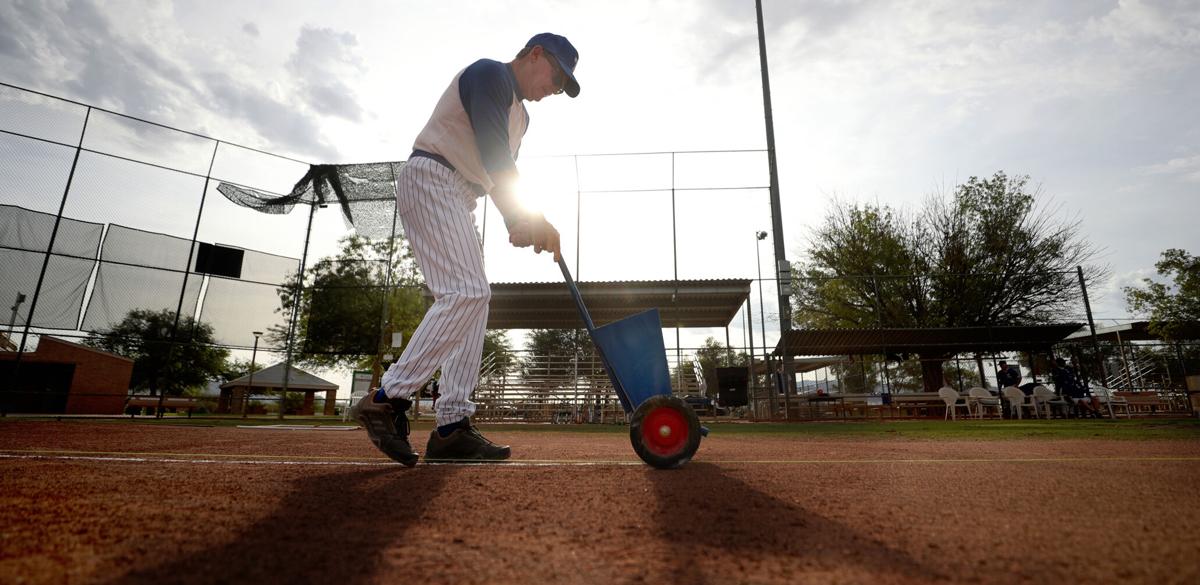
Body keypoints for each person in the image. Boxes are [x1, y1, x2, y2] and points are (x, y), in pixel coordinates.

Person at [351, 33, 580, 466]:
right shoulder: (490, 73)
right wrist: (525, 216)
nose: (555, 89)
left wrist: (517, 220)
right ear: (535, 55)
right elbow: (495, 153)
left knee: (474, 299)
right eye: (557, 76)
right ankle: (386, 398)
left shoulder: (523, 119)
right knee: (467, 292)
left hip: (461, 193)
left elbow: (494, 172)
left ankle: (453, 425)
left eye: (563, 86)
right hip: (431, 176)